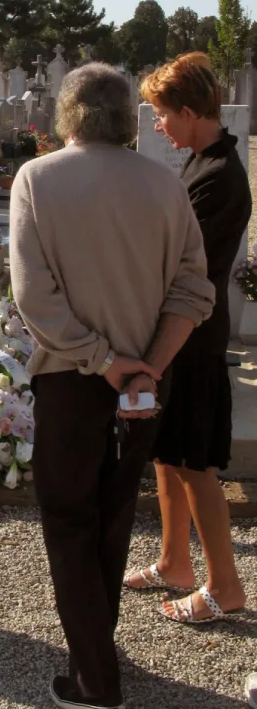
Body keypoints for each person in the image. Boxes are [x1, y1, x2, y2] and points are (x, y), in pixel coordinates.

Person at [10, 63, 215, 709]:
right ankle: (95, 646)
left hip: (73, 381)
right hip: (146, 383)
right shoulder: (164, 184)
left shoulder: (36, 179)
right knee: (113, 512)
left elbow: (34, 299)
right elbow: (194, 289)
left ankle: (95, 679)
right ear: (128, 116)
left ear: (67, 112)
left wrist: (104, 361)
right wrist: (147, 365)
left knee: (70, 520)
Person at [124, 52, 251, 624]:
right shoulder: (201, 161)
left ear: (191, 111)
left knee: (196, 463)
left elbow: (177, 258)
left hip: (194, 336)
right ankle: (175, 562)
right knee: (167, 455)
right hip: (177, 331)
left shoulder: (221, 175)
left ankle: (225, 588)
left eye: (162, 113)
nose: (157, 125)